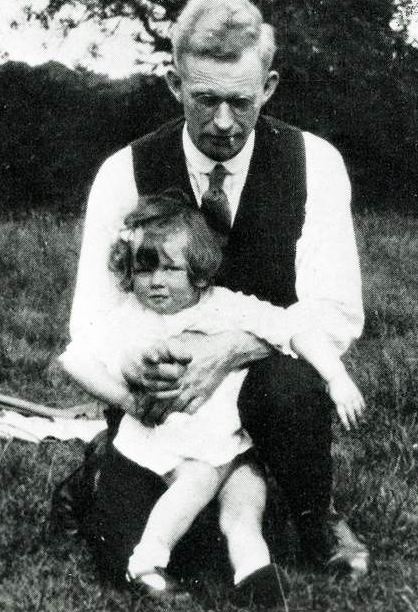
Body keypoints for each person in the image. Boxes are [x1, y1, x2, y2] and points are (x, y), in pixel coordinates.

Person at [57, 0, 368, 589]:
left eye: (240, 102)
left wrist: (231, 347)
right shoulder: (123, 172)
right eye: (205, 99)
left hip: (265, 368)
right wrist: (139, 366)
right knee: (137, 553)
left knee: (292, 390)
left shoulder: (316, 163)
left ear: (268, 88)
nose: (223, 122)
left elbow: (335, 309)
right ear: (175, 85)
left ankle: (315, 515)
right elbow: (90, 320)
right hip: (163, 386)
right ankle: (112, 466)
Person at [60, 192, 365, 603]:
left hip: (225, 444)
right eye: (144, 269)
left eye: (171, 268)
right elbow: (74, 359)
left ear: (199, 273)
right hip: (164, 444)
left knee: (247, 495)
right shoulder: (132, 316)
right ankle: (147, 562)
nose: (156, 282)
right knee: (198, 480)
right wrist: (127, 400)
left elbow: (294, 327)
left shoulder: (224, 306)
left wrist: (336, 376)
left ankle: (255, 575)